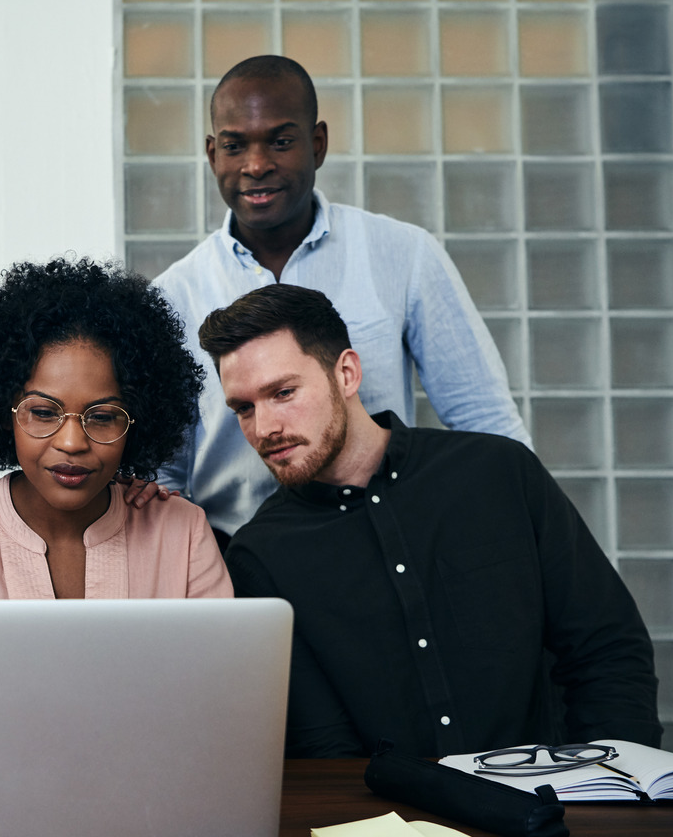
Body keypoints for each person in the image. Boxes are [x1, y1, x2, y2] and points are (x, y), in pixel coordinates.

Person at [200, 284, 660, 759]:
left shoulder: (497, 473)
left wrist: (612, 788)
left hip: (556, 806)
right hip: (395, 827)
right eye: (244, 408)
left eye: (283, 392)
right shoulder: (261, 554)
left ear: (347, 373)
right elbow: (320, 743)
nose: (264, 428)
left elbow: (605, 648)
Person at [151, 54, 531, 540]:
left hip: (386, 549)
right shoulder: (174, 294)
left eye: (281, 141)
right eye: (234, 146)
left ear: (318, 144)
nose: (256, 165)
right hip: (237, 562)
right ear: (212, 154)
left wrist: (521, 545)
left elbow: (485, 422)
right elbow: (160, 476)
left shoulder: (402, 254)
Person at [0, 259, 230, 600]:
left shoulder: (182, 531)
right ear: (2, 412)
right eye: (43, 412)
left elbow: (219, 654)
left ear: (138, 421)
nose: (72, 443)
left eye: (101, 417)